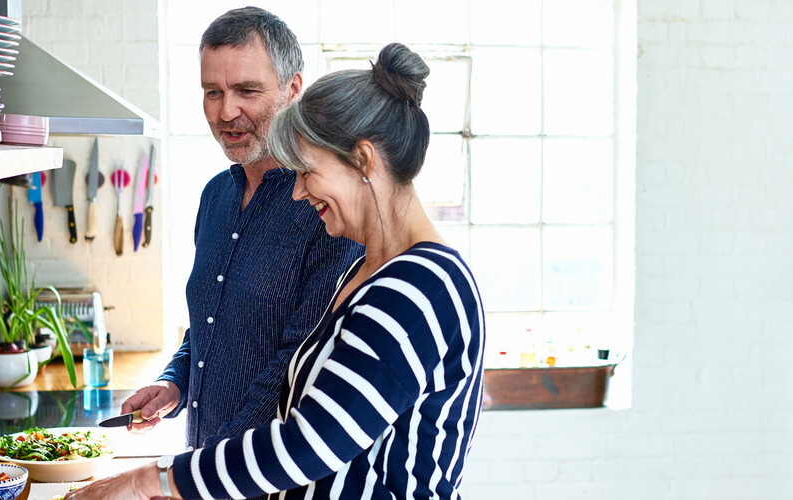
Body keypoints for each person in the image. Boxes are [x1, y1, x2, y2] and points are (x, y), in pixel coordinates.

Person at [67, 43, 485, 500]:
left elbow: (308, 443)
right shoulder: (371, 272)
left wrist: (148, 480)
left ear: (364, 161)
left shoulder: (422, 289)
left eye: (307, 172)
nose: (298, 192)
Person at [118, 6, 363, 458]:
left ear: (292, 89)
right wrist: (173, 383)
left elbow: (296, 367)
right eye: (213, 91)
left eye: (247, 90)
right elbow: (208, 325)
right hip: (205, 465)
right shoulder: (215, 197)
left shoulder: (326, 209)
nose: (226, 111)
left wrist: (206, 470)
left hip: (262, 475)